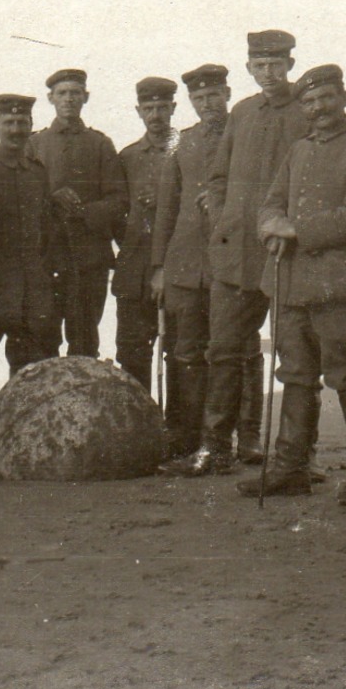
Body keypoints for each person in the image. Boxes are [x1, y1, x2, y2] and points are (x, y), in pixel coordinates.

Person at [237, 64, 346, 504]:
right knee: (296, 376)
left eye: (325, 98)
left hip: (341, 286)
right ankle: (290, 469)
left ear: (344, 96)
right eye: (308, 101)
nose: (318, 108)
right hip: (289, 283)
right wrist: (270, 227)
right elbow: (269, 205)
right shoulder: (298, 150)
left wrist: (293, 230)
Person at [171, 30, 309, 476]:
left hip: (289, 253)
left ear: (290, 64)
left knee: (296, 357)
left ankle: (294, 457)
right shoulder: (243, 113)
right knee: (225, 352)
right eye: (259, 66)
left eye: (276, 64)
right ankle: (216, 448)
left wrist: (292, 226)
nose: (268, 74)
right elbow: (218, 176)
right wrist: (221, 220)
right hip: (235, 257)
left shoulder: (306, 109)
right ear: (249, 68)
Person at [150, 63, 231, 462]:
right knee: (184, 352)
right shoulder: (182, 142)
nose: (206, 104)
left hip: (227, 263)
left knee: (230, 351)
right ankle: (184, 434)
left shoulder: (242, 134)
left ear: (227, 94)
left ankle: (226, 439)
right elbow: (166, 209)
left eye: (213, 95)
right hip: (183, 264)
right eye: (198, 98)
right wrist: (160, 267)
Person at [0, 93, 58, 419]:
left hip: (32, 289)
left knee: (30, 370)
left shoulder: (37, 172)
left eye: (22, 123)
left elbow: (45, 229)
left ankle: (24, 435)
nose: (16, 129)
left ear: (31, 127)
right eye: (9, 122)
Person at [28, 69, 126, 358]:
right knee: (43, 340)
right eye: (62, 93)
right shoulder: (35, 144)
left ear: (86, 97)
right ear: (51, 98)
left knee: (84, 342)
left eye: (75, 93)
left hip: (88, 260)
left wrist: (83, 212)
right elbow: (23, 198)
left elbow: (119, 201)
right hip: (48, 258)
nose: (69, 99)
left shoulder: (100, 144)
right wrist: (51, 199)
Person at [113, 77, 178, 389]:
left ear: (173, 108)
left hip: (178, 270)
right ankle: (136, 428)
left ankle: (179, 434)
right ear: (138, 111)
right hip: (134, 274)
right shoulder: (127, 158)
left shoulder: (186, 151)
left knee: (180, 354)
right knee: (131, 354)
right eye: (149, 108)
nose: (156, 115)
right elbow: (117, 212)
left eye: (162, 107)